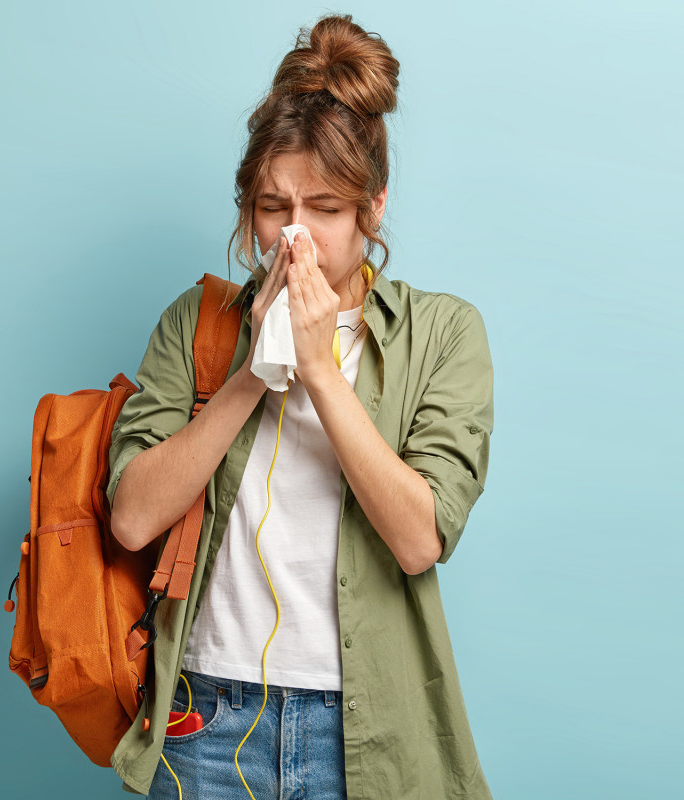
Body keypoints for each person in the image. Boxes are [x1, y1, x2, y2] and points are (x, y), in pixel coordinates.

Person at [107, 14, 494, 800]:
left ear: (372, 208)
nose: (295, 238)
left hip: (365, 727)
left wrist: (319, 368)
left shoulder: (446, 333)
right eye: (273, 207)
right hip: (203, 718)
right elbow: (132, 519)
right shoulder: (197, 322)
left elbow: (420, 539)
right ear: (249, 207)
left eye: (324, 207)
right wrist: (255, 371)